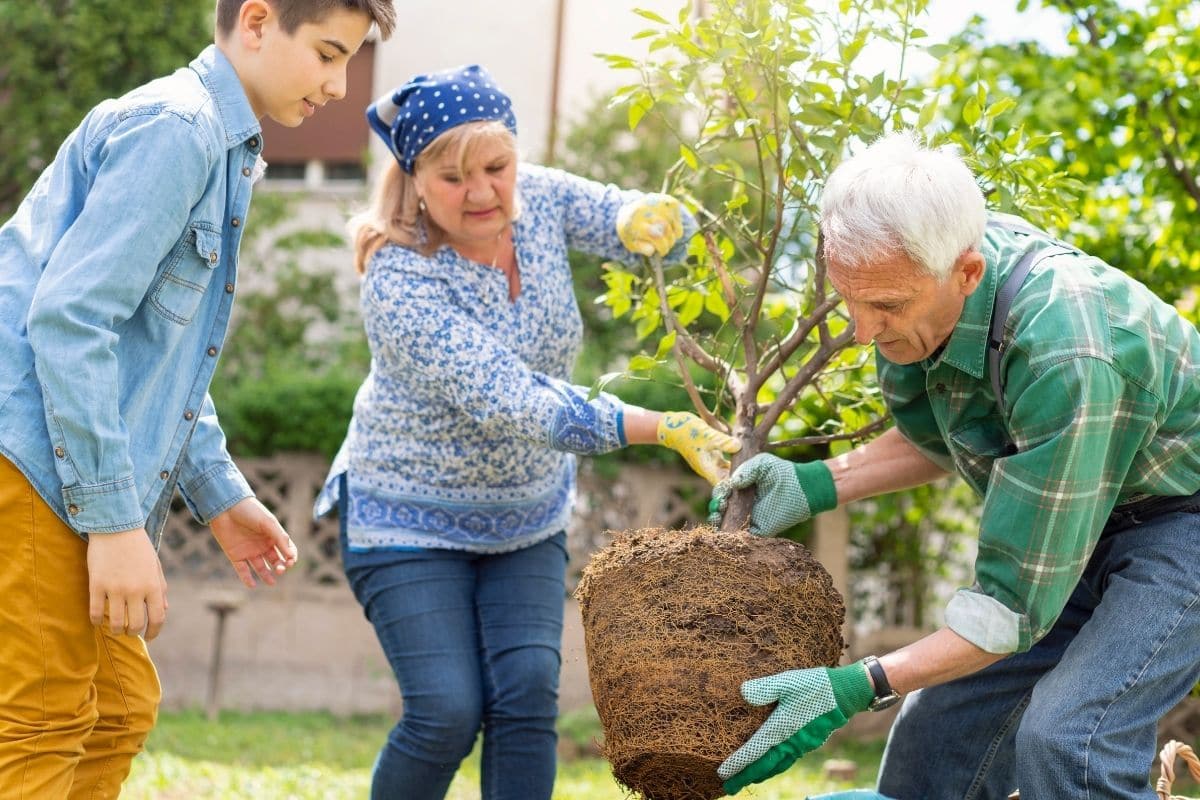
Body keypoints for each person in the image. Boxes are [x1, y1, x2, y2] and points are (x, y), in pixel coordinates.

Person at [709, 132, 1200, 799]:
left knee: (1068, 741)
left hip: (1183, 519)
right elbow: (951, 432)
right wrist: (819, 482)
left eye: (884, 307)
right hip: (1087, 506)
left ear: (966, 273)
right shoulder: (922, 279)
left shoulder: (1064, 353)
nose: (861, 330)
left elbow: (1008, 610)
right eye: (848, 299)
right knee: (936, 734)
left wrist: (857, 685)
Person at [0, 2, 396, 797]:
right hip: (35, 460)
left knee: (116, 708)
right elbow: (71, 322)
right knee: (43, 721)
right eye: (326, 53)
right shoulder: (177, 131)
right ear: (256, 22)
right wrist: (114, 524)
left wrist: (220, 494)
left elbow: (165, 353)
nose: (338, 84)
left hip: (70, 461)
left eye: (349, 61)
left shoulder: (226, 148)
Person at [314, 63, 740, 800]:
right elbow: (515, 400)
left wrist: (655, 219)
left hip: (525, 515)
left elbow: (625, 218)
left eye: (496, 167)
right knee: (447, 710)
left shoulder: (536, 198)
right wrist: (657, 427)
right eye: (453, 178)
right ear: (413, 179)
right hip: (406, 517)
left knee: (525, 697)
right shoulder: (399, 279)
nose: (482, 192)